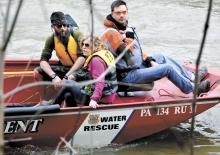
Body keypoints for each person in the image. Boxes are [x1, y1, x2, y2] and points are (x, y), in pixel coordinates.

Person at [101, 0, 210, 95]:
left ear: (127, 13)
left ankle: (192, 77)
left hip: (133, 68)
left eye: (124, 12)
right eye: (118, 13)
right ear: (112, 14)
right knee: (167, 68)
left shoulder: (121, 29)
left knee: (161, 56)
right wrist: (129, 38)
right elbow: (131, 59)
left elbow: (138, 53)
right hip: (126, 76)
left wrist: (149, 60)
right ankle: (192, 89)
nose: (121, 15)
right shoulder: (111, 33)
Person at [53, 36, 118, 108]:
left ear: (96, 46)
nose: (83, 47)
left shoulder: (96, 60)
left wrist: (94, 99)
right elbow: (85, 70)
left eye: (87, 45)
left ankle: (52, 107)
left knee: (68, 83)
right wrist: (75, 75)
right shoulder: (103, 53)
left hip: (102, 98)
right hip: (108, 94)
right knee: (68, 95)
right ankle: (71, 115)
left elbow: (100, 81)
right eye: (83, 44)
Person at [34, 11, 85, 101]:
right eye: (59, 26)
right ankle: (43, 101)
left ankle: (65, 102)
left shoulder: (77, 34)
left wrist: (66, 76)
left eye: (64, 25)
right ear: (52, 27)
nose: (63, 29)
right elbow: (43, 61)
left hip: (81, 69)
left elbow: (82, 58)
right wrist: (54, 77)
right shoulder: (51, 39)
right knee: (37, 72)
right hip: (65, 68)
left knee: (69, 78)